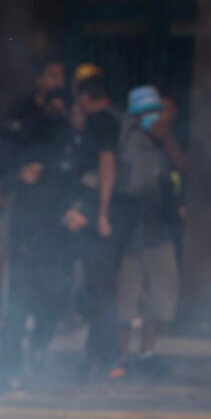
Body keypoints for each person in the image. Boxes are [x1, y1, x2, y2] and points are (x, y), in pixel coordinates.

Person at [0, 59, 73, 382]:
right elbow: (5, 157)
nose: (58, 82)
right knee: (19, 295)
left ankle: (40, 343)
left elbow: (74, 158)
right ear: (40, 78)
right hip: (27, 218)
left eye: (62, 76)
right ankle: (9, 369)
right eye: (53, 75)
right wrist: (17, 176)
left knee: (55, 292)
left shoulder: (65, 112)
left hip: (57, 218)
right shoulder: (22, 111)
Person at [113, 86, 190, 376]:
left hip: (159, 233)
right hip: (131, 236)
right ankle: (120, 357)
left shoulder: (164, 141)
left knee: (159, 300)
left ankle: (147, 354)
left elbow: (184, 166)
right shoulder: (127, 141)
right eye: (153, 113)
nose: (159, 118)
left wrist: (165, 139)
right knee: (126, 299)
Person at [67, 76, 137, 381]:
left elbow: (107, 165)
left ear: (85, 97)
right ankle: (95, 358)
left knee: (102, 290)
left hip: (102, 215)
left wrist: (103, 213)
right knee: (100, 288)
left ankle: (107, 359)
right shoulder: (119, 118)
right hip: (122, 214)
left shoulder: (100, 122)